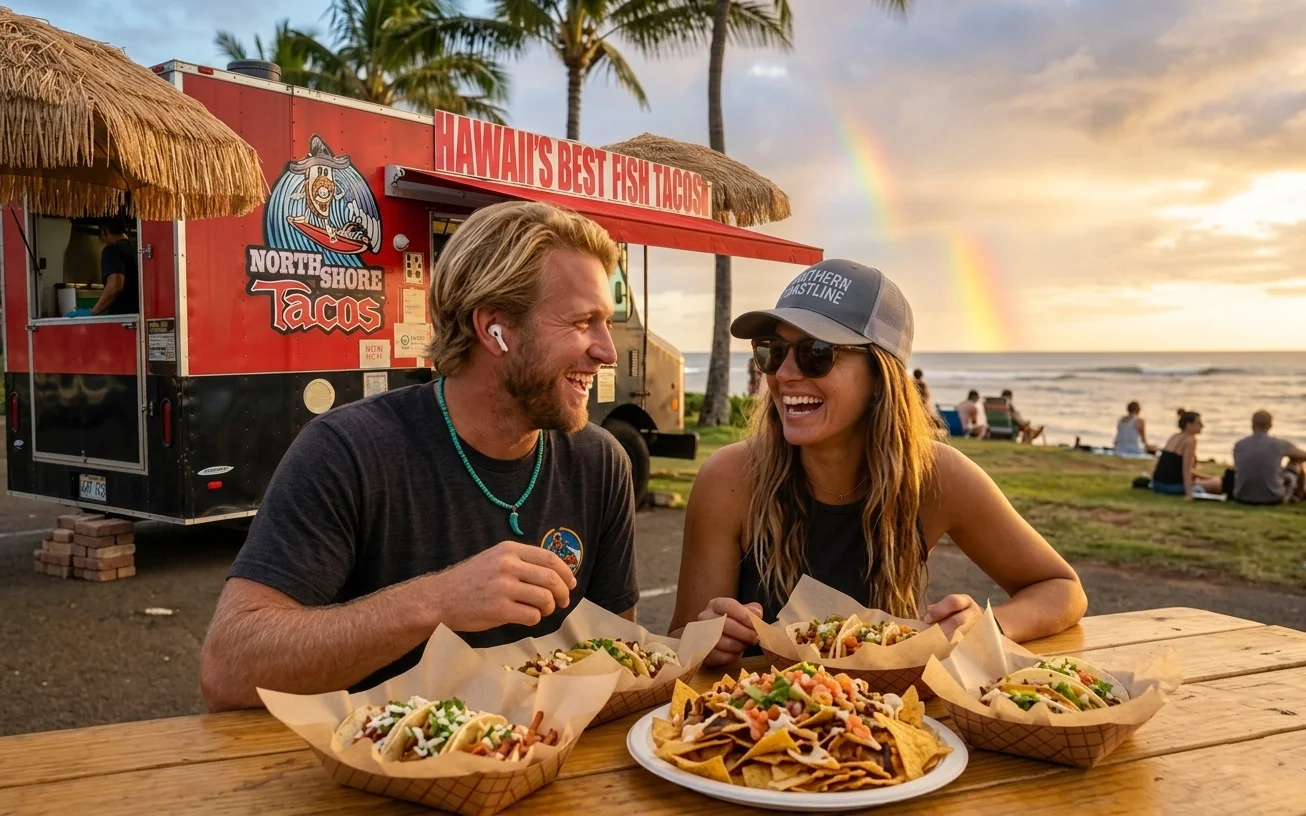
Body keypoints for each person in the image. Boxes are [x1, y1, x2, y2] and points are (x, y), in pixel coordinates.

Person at [199, 201, 639, 710]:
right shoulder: (348, 451)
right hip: (380, 773)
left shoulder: (601, 463)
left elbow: (619, 660)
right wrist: (436, 602)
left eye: (605, 322)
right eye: (584, 321)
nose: (607, 350)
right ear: (495, 328)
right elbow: (229, 670)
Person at [667, 259, 1086, 666]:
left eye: (816, 352)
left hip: (883, 719)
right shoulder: (730, 479)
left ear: (879, 376)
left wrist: (985, 627)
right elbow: (679, 641)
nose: (785, 374)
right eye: (772, 351)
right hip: (753, 723)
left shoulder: (935, 475)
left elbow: (1061, 588)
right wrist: (708, 639)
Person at [65, 215, 139, 317]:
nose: (102, 240)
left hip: (122, 321)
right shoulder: (134, 250)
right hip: (136, 316)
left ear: (104, 231)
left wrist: (93, 312)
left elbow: (115, 286)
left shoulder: (112, 250)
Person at [1229, 411, 1306, 505]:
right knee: (1295, 463)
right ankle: (1299, 495)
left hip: (1241, 497)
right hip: (1273, 498)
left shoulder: (1239, 445)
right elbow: (1303, 456)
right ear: (1270, 426)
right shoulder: (1279, 444)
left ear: (1252, 425)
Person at [1151, 409, 1222, 499]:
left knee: (1213, 480)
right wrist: (1189, 494)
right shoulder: (1190, 440)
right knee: (1219, 483)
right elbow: (1186, 469)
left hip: (1157, 484)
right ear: (1188, 425)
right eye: (1198, 423)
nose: (1202, 426)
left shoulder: (1174, 436)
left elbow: (1173, 464)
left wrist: (1208, 477)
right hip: (1172, 487)